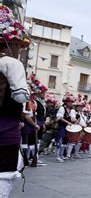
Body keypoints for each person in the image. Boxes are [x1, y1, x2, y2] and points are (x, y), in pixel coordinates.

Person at [0, 11, 30, 197]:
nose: (20, 51)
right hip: (4, 132)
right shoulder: (11, 63)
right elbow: (20, 97)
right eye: (19, 45)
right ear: (10, 44)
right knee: (3, 178)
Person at [56, 92, 77, 162]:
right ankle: (57, 156)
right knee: (60, 141)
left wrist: (75, 120)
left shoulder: (71, 110)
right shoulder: (62, 108)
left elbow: (72, 119)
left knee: (65, 142)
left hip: (67, 128)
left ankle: (62, 155)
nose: (71, 103)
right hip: (62, 126)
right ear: (66, 102)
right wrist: (68, 122)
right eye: (69, 102)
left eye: (71, 102)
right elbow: (59, 117)